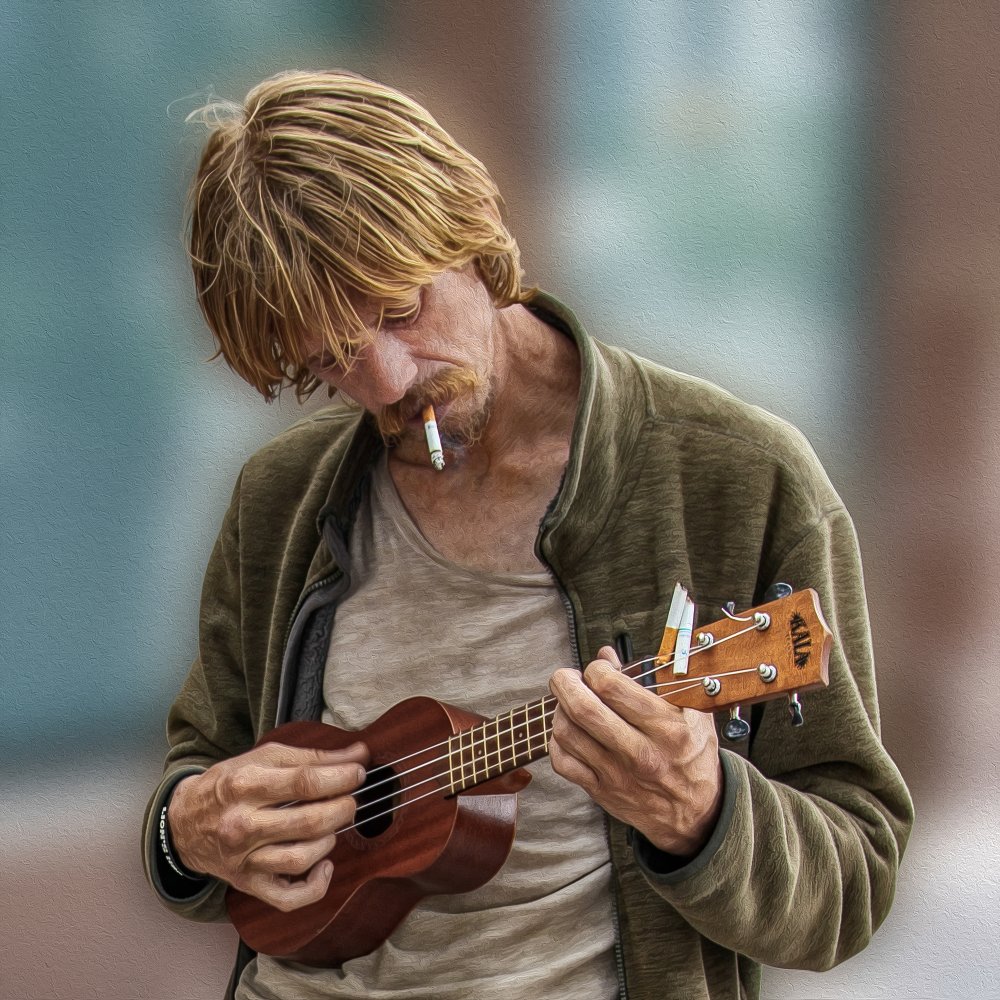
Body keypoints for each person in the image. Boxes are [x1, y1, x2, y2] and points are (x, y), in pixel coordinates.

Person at [142, 70, 913, 1000]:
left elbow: (852, 885)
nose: (388, 384)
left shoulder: (739, 477)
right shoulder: (282, 496)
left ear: (468, 231)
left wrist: (704, 814)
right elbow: (200, 778)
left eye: (398, 309)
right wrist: (187, 832)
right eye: (332, 358)